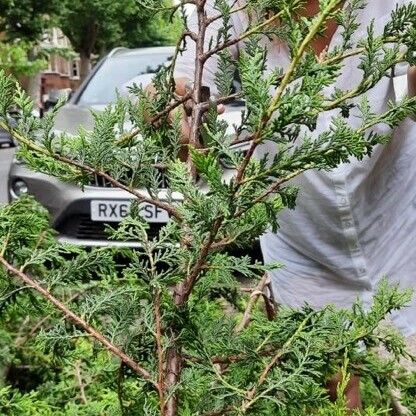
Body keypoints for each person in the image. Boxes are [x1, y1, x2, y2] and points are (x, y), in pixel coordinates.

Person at [172, 0, 416, 412]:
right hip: (299, 229)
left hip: (396, 209)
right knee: (327, 383)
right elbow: (188, 86)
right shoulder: (223, 6)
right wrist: (177, 113)